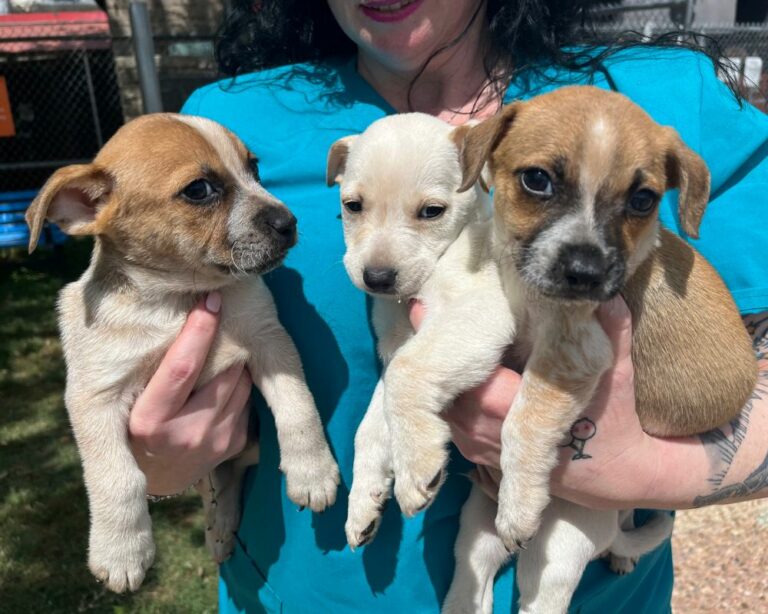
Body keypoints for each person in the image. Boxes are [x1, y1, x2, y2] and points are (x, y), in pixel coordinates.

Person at [127, 1, 768, 612]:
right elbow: (158, 352)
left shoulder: (662, 100)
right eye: (538, 182)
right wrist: (159, 463)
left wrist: (648, 468)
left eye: (634, 204)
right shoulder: (227, 137)